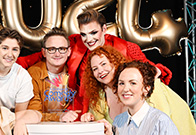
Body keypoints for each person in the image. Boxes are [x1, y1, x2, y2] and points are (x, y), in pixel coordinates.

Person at [16, 9, 172, 121]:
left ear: (104, 29)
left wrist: (154, 70)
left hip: (114, 109)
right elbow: (37, 57)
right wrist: (6, 65)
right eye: (84, 34)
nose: (88, 39)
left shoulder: (125, 47)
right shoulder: (74, 43)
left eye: (93, 33)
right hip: (80, 110)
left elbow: (147, 67)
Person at [27, 27, 79, 122]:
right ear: (44, 52)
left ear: (69, 52)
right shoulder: (33, 74)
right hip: (41, 130)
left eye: (62, 49)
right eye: (52, 49)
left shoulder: (74, 74)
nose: (57, 54)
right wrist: (59, 117)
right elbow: (33, 114)